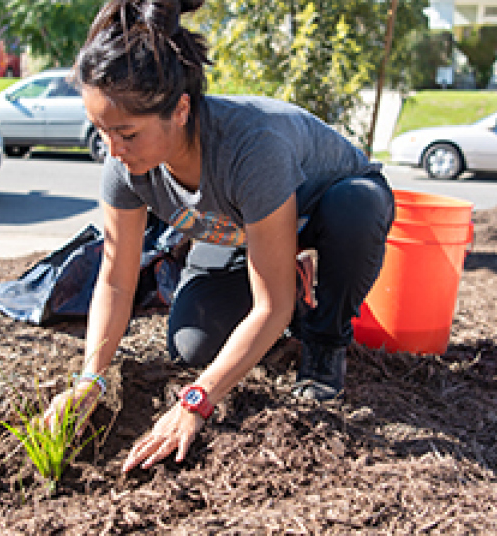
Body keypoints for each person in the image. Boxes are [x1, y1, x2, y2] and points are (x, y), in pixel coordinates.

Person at [42, 0, 395, 473]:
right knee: (194, 346)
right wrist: (91, 379)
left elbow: (267, 306)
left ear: (181, 109)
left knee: (357, 207)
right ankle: (281, 272)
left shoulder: (252, 149)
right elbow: (115, 279)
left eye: (126, 133)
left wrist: (194, 402)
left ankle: (324, 340)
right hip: (244, 230)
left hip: (326, 209)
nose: (114, 150)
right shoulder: (123, 165)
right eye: (102, 131)